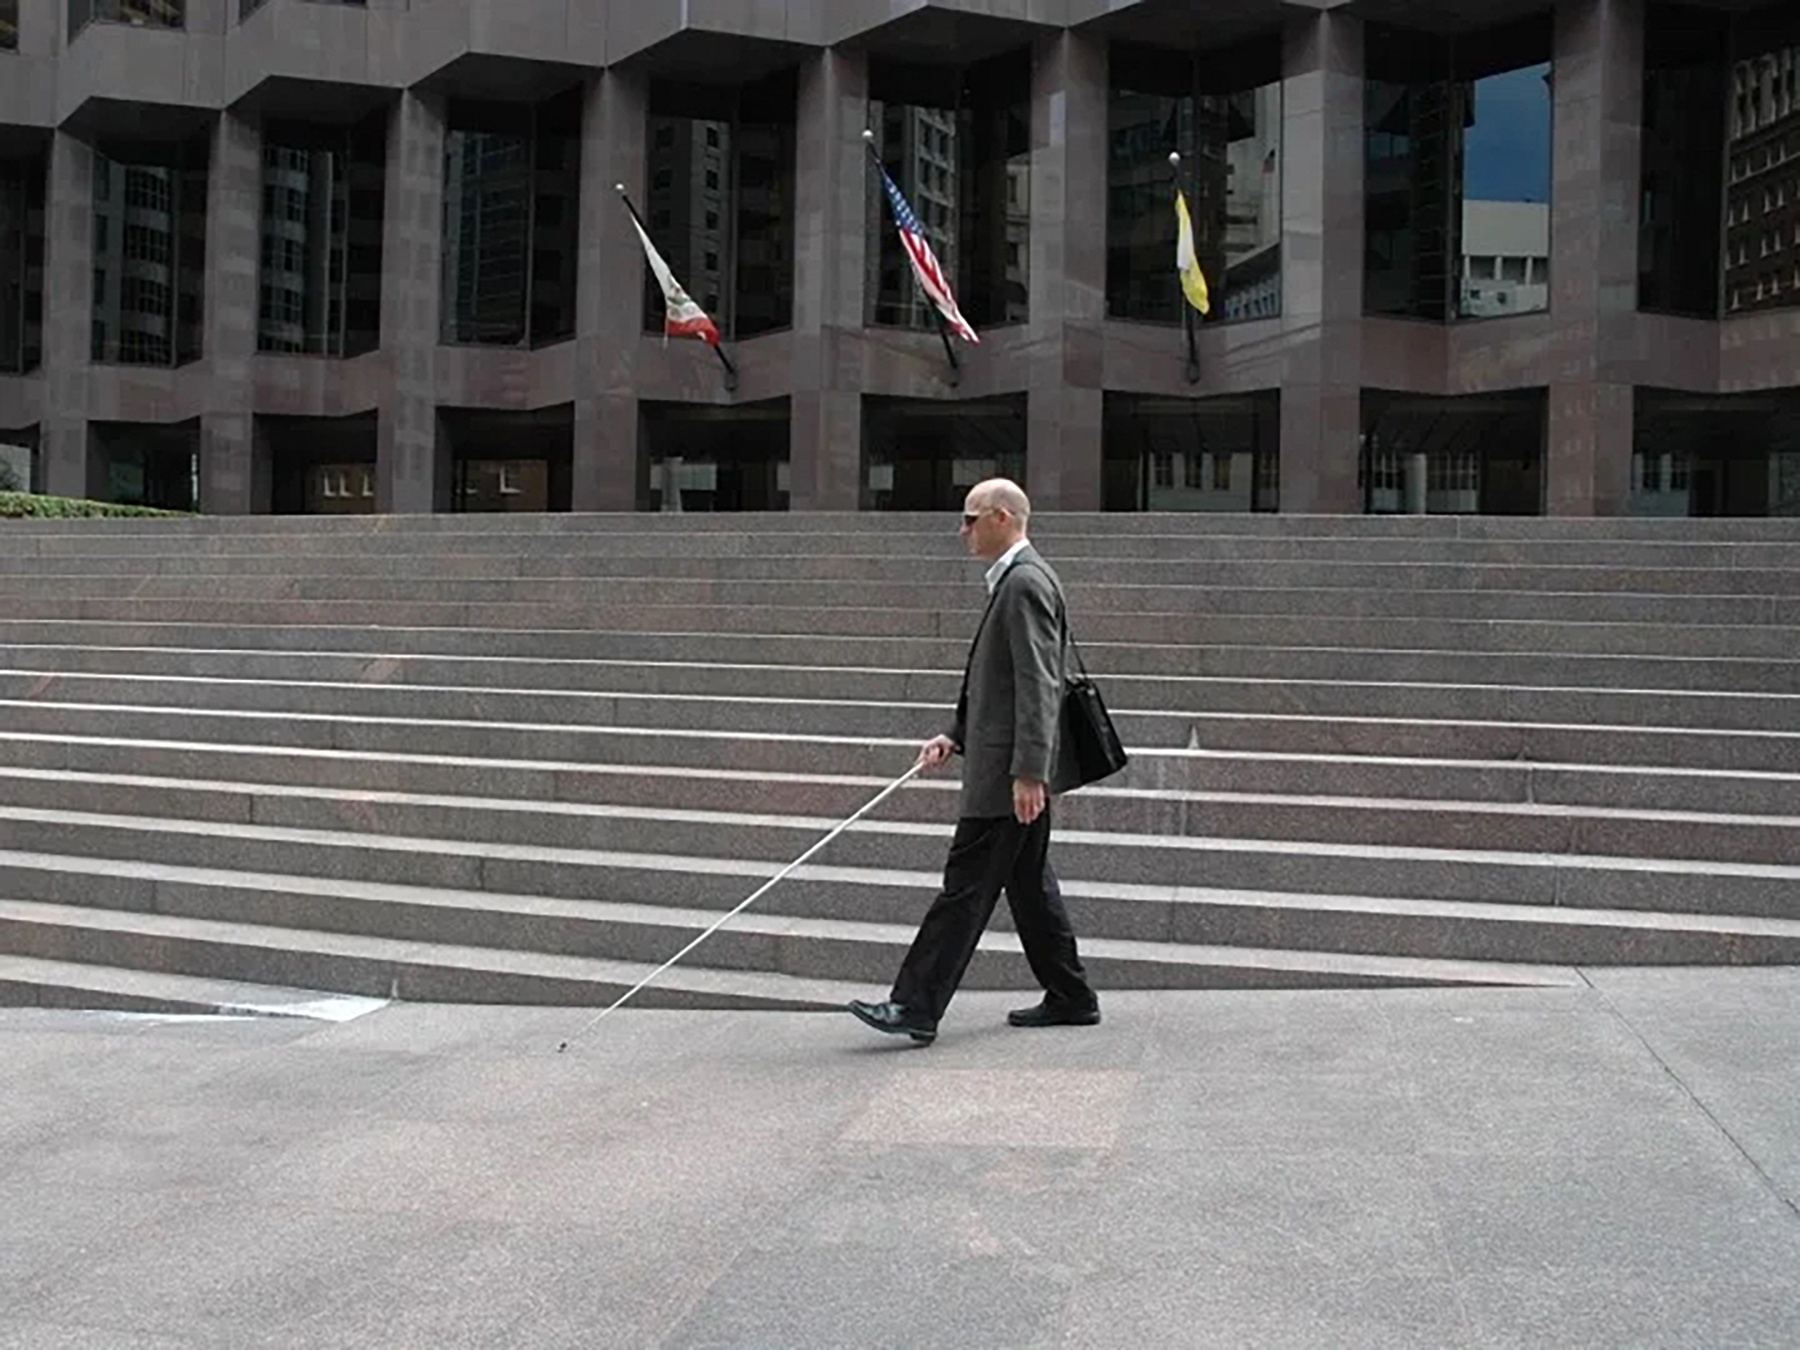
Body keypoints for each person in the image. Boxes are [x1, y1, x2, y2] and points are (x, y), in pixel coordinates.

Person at [848, 478, 1099, 1045]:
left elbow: (1039, 684)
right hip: (1003, 766)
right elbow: (1002, 687)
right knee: (1029, 887)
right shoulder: (1015, 581)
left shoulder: (1024, 583)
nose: (960, 530)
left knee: (964, 888)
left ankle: (913, 1005)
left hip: (1006, 778)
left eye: (970, 518)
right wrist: (954, 734)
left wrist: (1030, 771)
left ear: (1003, 518)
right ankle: (1071, 995)